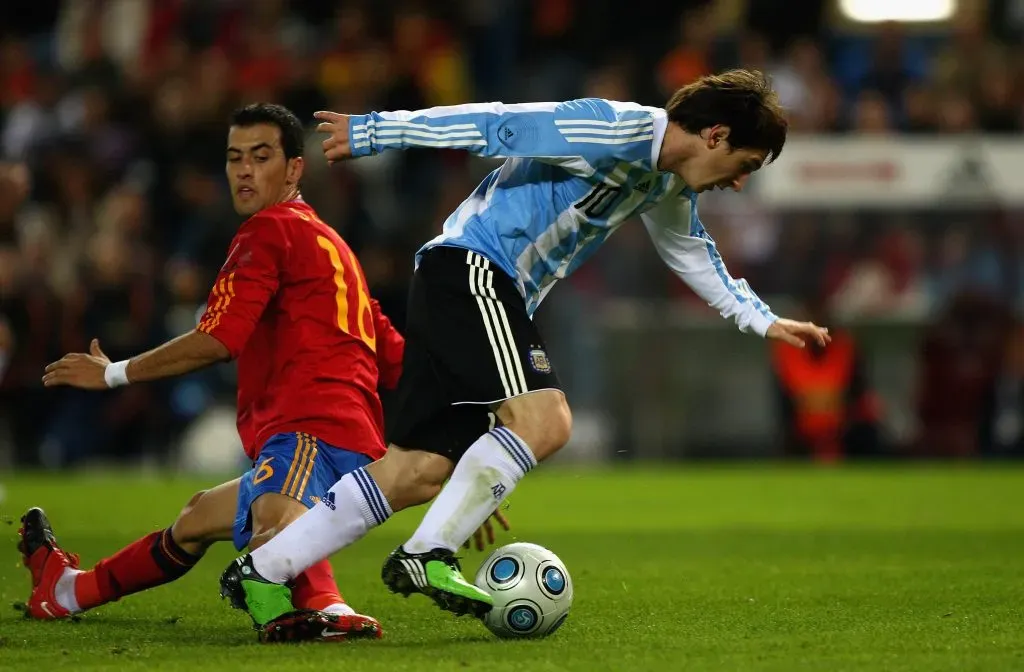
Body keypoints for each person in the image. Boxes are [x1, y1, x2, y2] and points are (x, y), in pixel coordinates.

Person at [219, 69, 832, 629]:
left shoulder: (667, 182)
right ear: (715, 134)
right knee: (546, 418)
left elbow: (690, 252)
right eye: (745, 161)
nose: (742, 180)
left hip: (463, 282)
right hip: (473, 270)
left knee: (416, 470)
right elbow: (494, 123)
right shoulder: (610, 126)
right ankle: (427, 553)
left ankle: (262, 571)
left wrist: (763, 320)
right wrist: (376, 131)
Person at [17, 103, 405, 642]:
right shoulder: (335, 248)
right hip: (351, 437)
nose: (244, 171)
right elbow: (395, 358)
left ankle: (325, 610)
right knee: (198, 518)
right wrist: (452, 455)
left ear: (294, 169)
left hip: (311, 427)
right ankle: (65, 591)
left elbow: (219, 339)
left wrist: (114, 374)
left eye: (261, 157)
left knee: (277, 529)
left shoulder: (268, 231)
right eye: (234, 158)